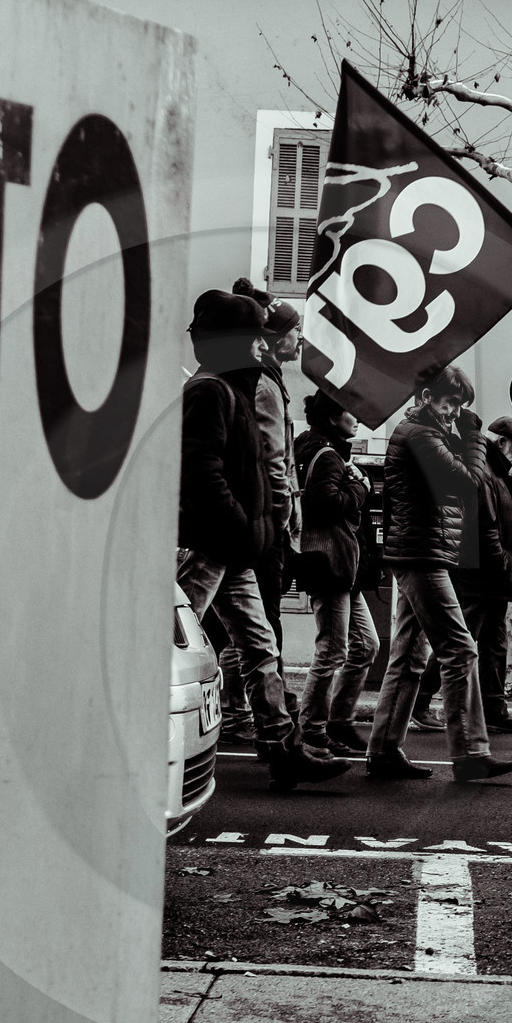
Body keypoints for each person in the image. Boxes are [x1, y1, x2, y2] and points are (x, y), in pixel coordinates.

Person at [177, 290, 349, 791]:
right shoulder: (211, 391)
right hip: (211, 546)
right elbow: (202, 474)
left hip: (230, 548)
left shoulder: (231, 389)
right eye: (253, 340)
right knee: (170, 648)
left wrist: (252, 532)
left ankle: (282, 748)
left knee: (260, 647)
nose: (261, 348)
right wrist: (244, 527)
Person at [366, 365, 512, 783]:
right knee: (460, 649)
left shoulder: (427, 432)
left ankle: (382, 751)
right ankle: (470, 753)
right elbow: (469, 483)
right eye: (449, 403)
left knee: (410, 657)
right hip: (420, 554)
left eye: (460, 405)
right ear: (426, 397)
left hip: (423, 551)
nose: (455, 412)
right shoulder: (419, 435)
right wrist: (471, 436)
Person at [218, 279, 303, 737]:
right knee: (256, 627)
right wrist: (282, 519)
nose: (300, 339)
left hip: (255, 520)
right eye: (295, 331)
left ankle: (265, 723)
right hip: (263, 523)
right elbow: (275, 459)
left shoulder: (264, 381)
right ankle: (249, 717)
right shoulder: (265, 386)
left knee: (252, 628)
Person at [410, 415, 512, 734]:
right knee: (461, 642)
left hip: (491, 577)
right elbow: (485, 527)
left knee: (493, 643)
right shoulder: (485, 471)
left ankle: (494, 706)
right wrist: (503, 562)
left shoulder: (495, 471)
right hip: (480, 575)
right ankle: (420, 700)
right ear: (502, 443)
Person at [293, 390, 378, 756]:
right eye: (350, 412)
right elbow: (324, 504)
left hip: (343, 567)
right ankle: (312, 729)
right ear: (332, 418)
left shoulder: (323, 451)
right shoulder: (326, 456)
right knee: (331, 651)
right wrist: (360, 487)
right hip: (330, 564)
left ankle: (339, 721)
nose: (356, 417)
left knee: (366, 645)